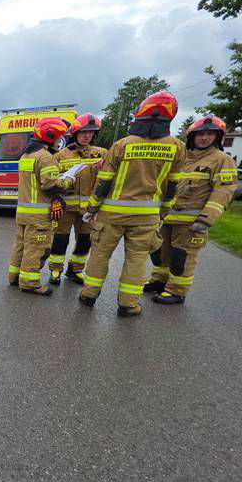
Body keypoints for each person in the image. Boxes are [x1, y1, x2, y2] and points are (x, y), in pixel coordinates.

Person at [78, 91, 186, 317]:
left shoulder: (122, 145)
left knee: (99, 255)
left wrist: (91, 209)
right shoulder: (177, 147)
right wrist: (163, 211)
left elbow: (103, 182)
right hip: (146, 217)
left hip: (111, 215)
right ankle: (128, 304)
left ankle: (88, 295)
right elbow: (174, 185)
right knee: (136, 260)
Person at [145, 115, 238, 304]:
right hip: (168, 217)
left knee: (182, 257)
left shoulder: (221, 160)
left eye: (210, 134)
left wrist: (206, 219)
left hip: (192, 222)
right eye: (200, 134)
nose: (204, 138)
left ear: (217, 137)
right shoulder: (183, 157)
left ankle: (177, 291)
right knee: (160, 251)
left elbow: (223, 191)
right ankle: (159, 281)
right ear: (192, 136)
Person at [7, 117, 74, 296]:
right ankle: (29, 283)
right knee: (35, 249)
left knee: (20, 245)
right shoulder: (45, 157)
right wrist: (67, 181)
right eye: (59, 138)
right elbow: (50, 185)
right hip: (39, 216)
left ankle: (14, 277)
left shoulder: (26, 155)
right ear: (50, 137)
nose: (60, 141)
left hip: (23, 212)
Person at [48, 114, 107, 285]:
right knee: (60, 240)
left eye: (91, 132)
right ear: (75, 133)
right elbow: (53, 180)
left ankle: (75, 270)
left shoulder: (102, 154)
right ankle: (55, 270)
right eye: (83, 132)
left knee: (84, 241)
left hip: (89, 209)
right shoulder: (60, 155)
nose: (87, 135)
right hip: (66, 207)